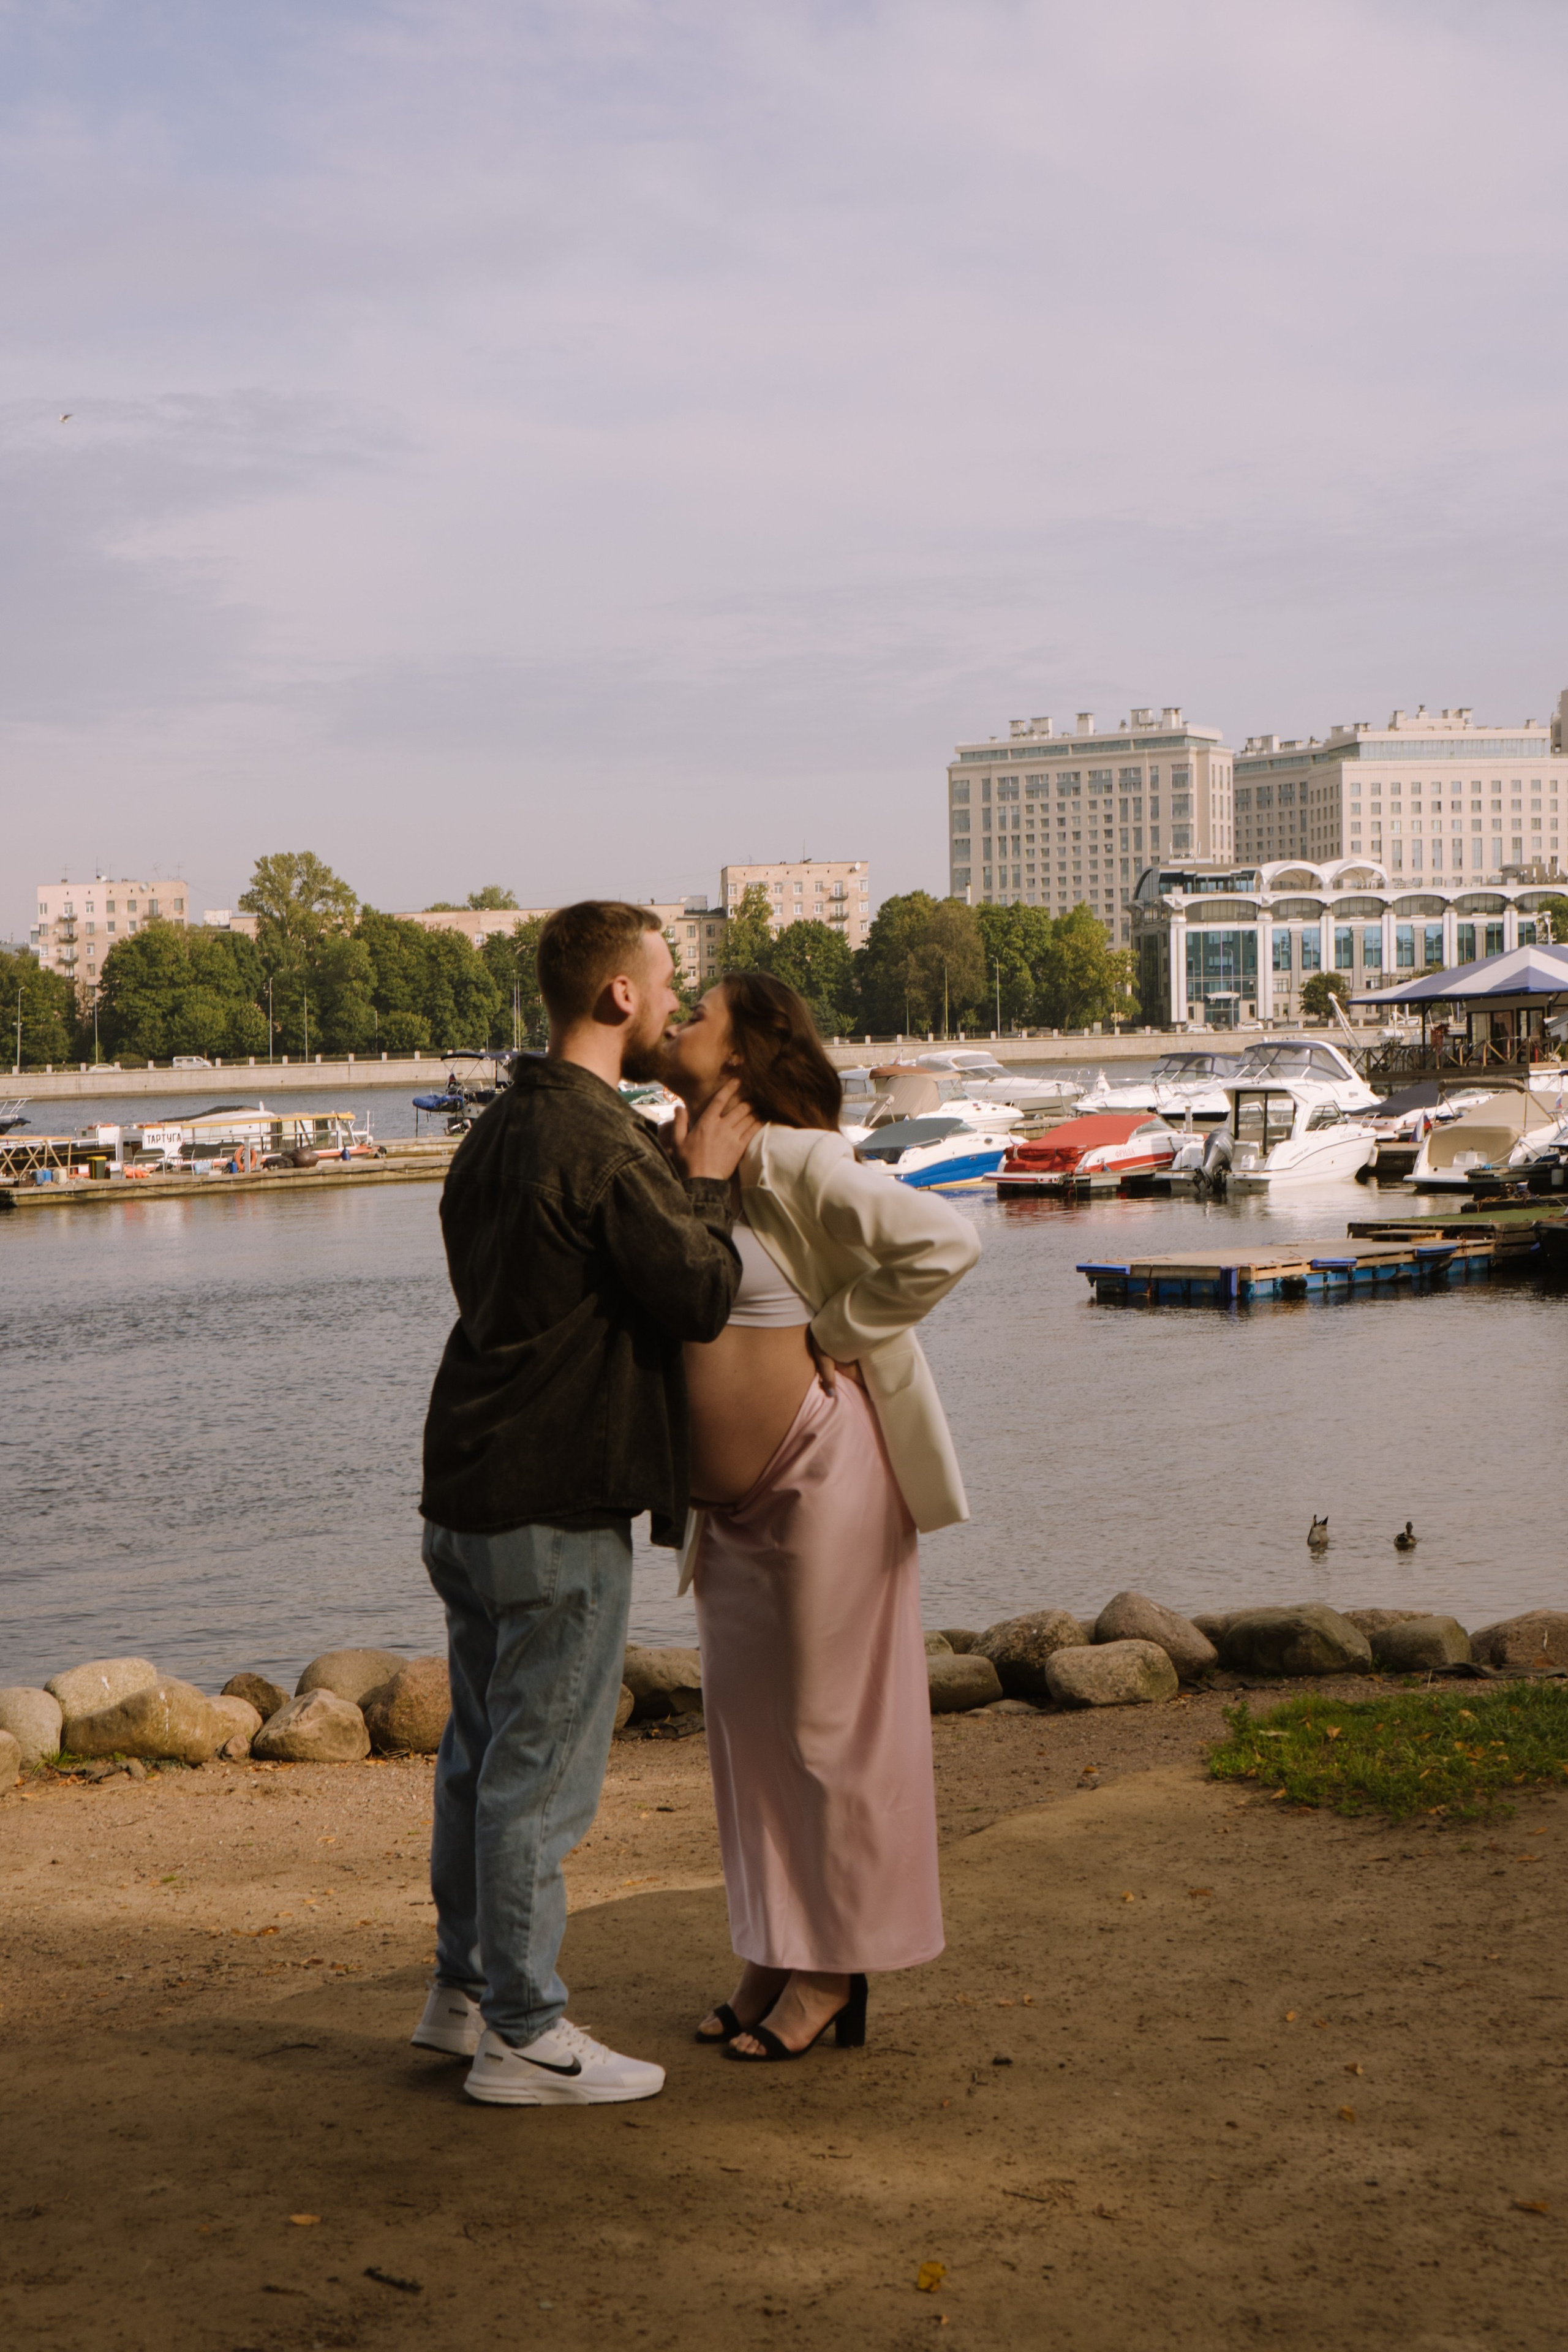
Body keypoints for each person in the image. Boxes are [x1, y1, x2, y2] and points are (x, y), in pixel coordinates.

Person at [414, 902, 758, 2106]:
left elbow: (542, 1284)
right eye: (667, 983)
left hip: (463, 1486)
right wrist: (704, 1181)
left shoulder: (498, 1129)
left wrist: (661, 1180)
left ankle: (461, 1998)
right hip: (553, 1499)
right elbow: (700, 1295)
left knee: (477, 1754)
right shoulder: (602, 1144)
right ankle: (522, 2034)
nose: (674, 1002)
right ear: (618, 995)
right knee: (536, 1779)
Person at [663, 973, 980, 2062]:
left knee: (828, 1734)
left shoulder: (797, 1156)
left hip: (822, 1476)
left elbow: (943, 1241)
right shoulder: (686, 1158)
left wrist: (841, 1326)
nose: (674, 1022)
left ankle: (836, 1970)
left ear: (746, 1053)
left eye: (693, 1013)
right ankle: (772, 1948)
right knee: (749, 1738)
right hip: (733, 1510)